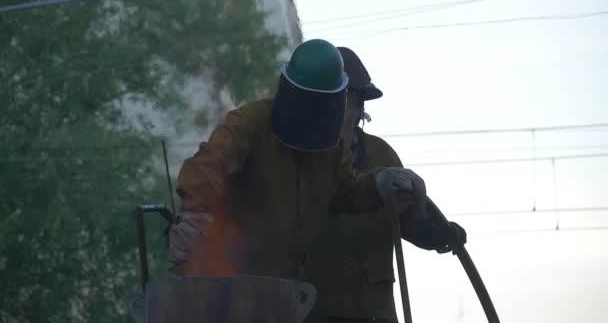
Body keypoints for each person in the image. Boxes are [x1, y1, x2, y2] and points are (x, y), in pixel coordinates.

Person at [168, 39, 427, 280]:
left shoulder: (331, 146)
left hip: (285, 288)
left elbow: (346, 189)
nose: (311, 115)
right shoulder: (250, 123)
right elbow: (208, 166)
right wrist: (195, 215)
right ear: (291, 92)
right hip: (234, 279)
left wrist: (378, 183)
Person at [301, 47, 467, 323]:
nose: (341, 110)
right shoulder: (297, 154)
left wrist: (435, 234)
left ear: (358, 105)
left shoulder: (382, 155)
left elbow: (409, 219)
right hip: (313, 307)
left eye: (348, 101)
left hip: (372, 309)